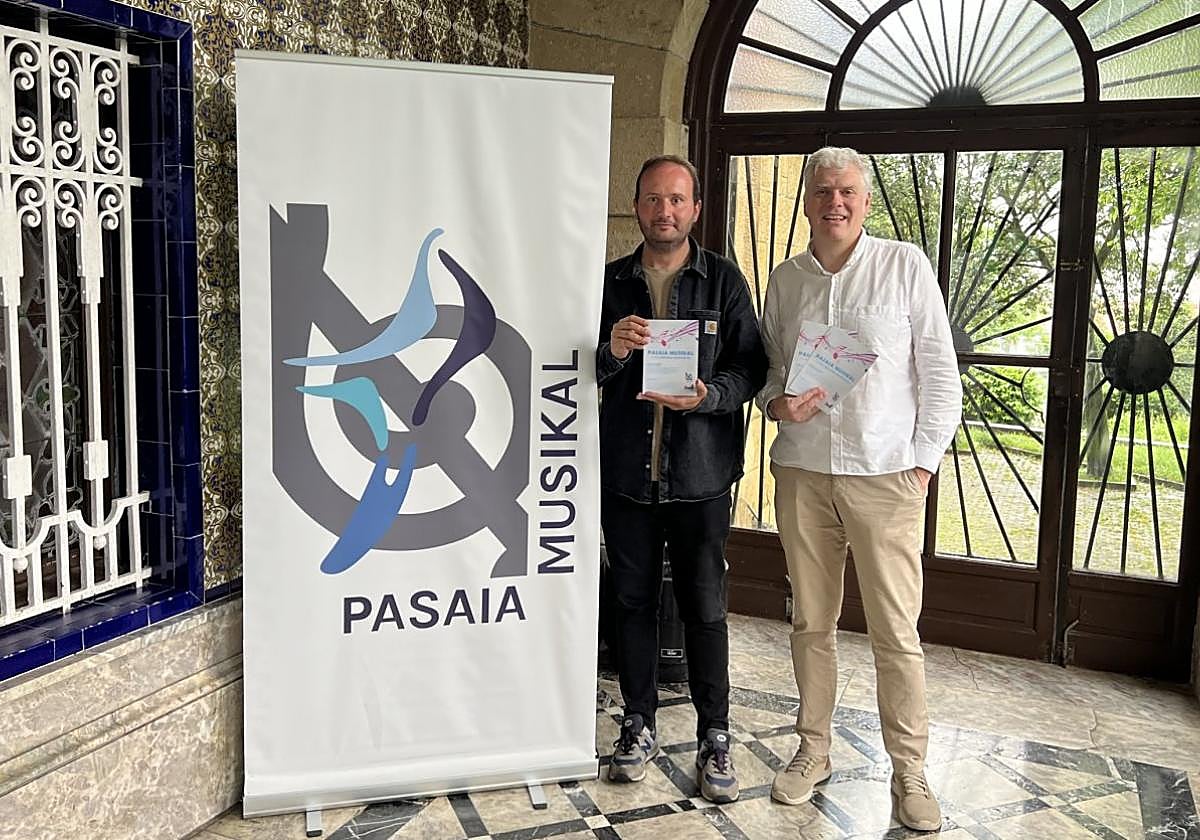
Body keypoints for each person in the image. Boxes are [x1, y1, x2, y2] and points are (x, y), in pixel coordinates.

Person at [757, 147, 961, 831]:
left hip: (885, 475)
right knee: (811, 622)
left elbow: (941, 375)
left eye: (846, 191)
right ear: (807, 202)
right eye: (822, 191)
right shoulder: (787, 280)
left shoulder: (904, 266)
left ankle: (909, 772)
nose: (835, 202)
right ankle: (812, 750)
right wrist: (777, 404)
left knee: (895, 632)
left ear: (866, 201)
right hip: (804, 471)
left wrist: (922, 465)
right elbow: (770, 369)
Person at [597, 155, 767, 804]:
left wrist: (708, 397)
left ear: (695, 208)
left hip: (701, 478)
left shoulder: (723, 280)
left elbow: (750, 368)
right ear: (636, 206)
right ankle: (637, 723)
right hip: (626, 477)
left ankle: (714, 734)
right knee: (632, 604)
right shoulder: (611, 282)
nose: (663, 210)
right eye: (652, 199)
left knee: (705, 608)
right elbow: (579, 364)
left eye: (676, 199)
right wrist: (612, 350)